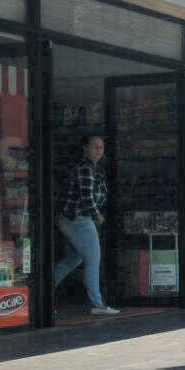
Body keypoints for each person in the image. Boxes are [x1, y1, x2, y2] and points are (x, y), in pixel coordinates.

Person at [53, 135, 118, 315]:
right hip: (78, 218)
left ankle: (39, 293)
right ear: (85, 148)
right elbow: (87, 197)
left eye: (101, 147)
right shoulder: (85, 169)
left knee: (72, 260)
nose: (99, 150)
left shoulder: (94, 169)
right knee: (93, 259)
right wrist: (97, 215)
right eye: (95, 146)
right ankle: (97, 304)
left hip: (71, 218)